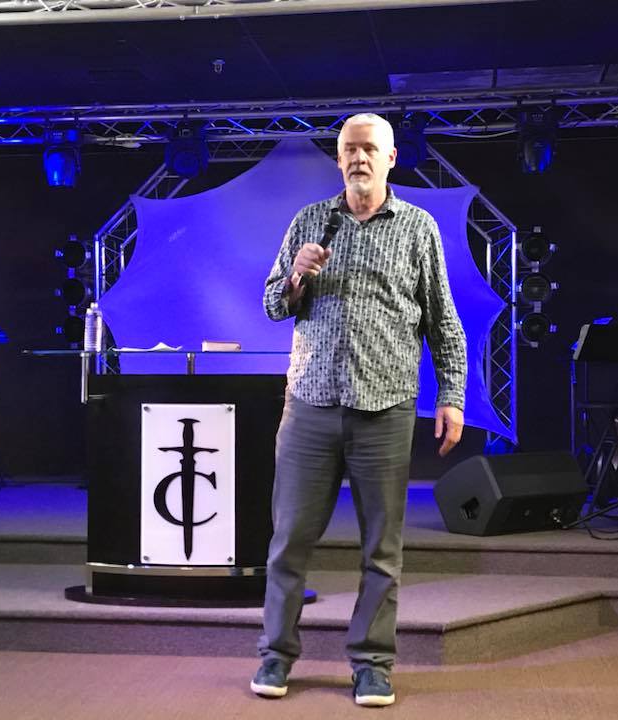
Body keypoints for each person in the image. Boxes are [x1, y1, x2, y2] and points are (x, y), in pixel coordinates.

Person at [251, 113, 467, 707]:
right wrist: (295, 278)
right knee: (289, 539)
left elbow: (444, 322)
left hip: (385, 409)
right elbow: (272, 306)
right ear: (339, 158)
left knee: (382, 549)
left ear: (391, 158)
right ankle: (275, 654)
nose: (358, 158)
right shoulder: (309, 222)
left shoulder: (417, 228)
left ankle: (372, 663)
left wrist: (451, 396)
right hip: (310, 407)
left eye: (370, 148)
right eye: (349, 149)